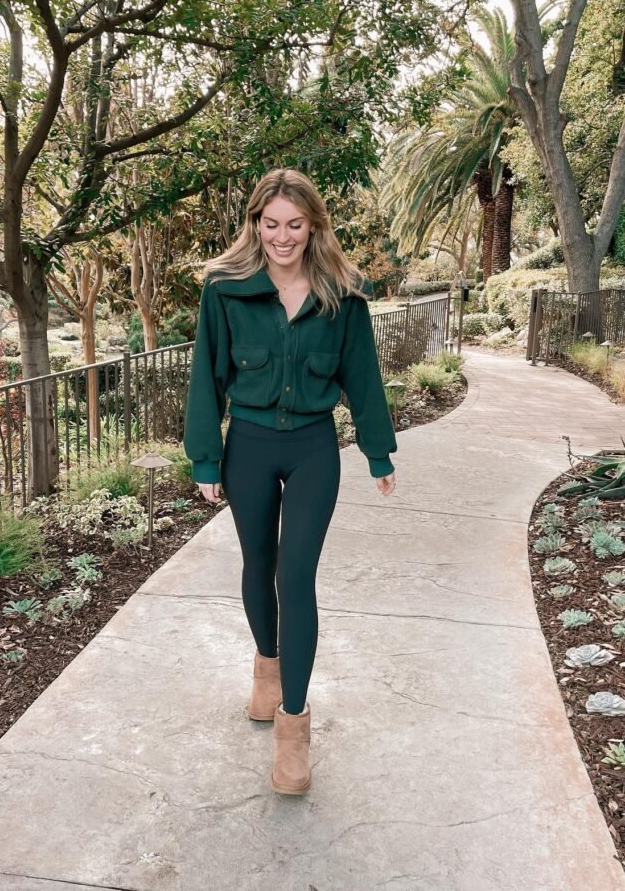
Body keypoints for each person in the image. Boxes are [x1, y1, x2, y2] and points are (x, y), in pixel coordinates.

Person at [183, 167, 397, 795]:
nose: (282, 236)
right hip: (246, 446)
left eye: (294, 225)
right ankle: (266, 669)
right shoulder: (224, 291)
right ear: (256, 224)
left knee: (295, 575)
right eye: (270, 223)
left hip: (312, 448)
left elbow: (363, 377)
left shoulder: (342, 297)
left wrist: (378, 453)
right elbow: (206, 377)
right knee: (258, 562)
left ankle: (293, 726)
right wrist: (204, 458)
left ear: (313, 226)